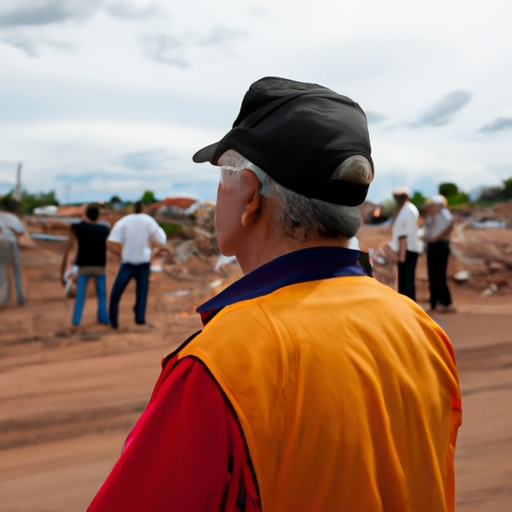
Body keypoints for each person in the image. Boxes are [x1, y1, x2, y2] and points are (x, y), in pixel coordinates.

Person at [88, 77, 461, 512]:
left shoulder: (223, 361)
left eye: (222, 177)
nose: (217, 196)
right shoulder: (423, 330)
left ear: (249, 193)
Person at [107, 201, 167, 328]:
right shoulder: (148, 220)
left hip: (127, 262)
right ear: (144, 209)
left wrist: (121, 252)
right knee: (142, 292)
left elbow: (113, 239)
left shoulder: (125, 221)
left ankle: (114, 321)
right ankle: (140, 319)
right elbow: (162, 238)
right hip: (143, 262)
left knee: (116, 293)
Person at [61, 203, 110, 329]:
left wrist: (84, 215)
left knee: (80, 296)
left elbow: (74, 225)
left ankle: (76, 321)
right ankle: (103, 318)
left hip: (84, 266)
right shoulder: (104, 229)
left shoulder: (80, 227)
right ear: (98, 216)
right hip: (100, 266)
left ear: (87, 215)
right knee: (102, 295)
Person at [424, 194, 455, 312]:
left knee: (439, 274)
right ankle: (434, 301)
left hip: (440, 245)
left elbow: (450, 225)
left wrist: (437, 238)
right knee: (432, 274)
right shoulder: (430, 217)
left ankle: (445, 301)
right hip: (432, 246)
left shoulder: (443, 214)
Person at [391, 187, 422, 301]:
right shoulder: (407, 209)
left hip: (407, 250)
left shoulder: (407, 210)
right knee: (405, 280)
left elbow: (403, 234)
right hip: (408, 249)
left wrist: (402, 255)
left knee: (406, 281)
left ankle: (409, 306)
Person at [0, 212, 25, 305]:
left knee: (2, 270)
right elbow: (21, 230)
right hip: (12, 242)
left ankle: (3, 297)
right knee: (16, 271)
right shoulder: (13, 217)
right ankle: (20, 298)